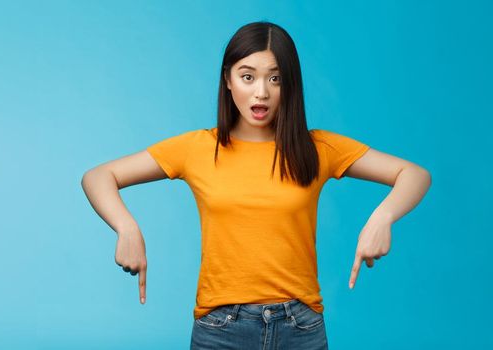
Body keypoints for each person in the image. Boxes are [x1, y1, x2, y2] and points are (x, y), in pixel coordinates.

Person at [80, 21, 432, 349]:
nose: (261, 92)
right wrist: (126, 227)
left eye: (275, 79)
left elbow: (414, 175)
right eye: (247, 77)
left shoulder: (317, 148)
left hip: (301, 329)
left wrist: (382, 218)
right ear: (228, 80)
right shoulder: (198, 148)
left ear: (288, 84)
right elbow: (98, 177)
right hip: (220, 329)